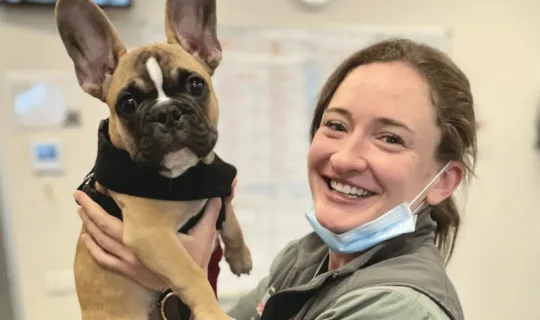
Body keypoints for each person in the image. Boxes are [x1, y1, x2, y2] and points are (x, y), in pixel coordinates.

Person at [74, 38, 476, 320]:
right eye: (336, 125)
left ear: (444, 180)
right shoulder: (307, 257)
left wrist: (167, 285)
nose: (346, 156)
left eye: (390, 138)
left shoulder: (398, 309)